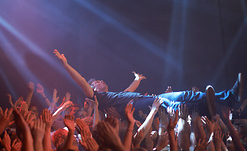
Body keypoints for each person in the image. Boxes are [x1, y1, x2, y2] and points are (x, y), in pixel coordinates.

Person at [54, 49, 243, 119]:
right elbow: (80, 81)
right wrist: (66, 65)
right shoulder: (99, 98)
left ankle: (229, 97)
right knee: (174, 106)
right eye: (97, 82)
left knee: (185, 94)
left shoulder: (114, 96)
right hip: (137, 106)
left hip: (146, 98)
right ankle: (210, 111)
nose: (101, 81)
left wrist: (136, 80)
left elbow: (129, 90)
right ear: (93, 89)